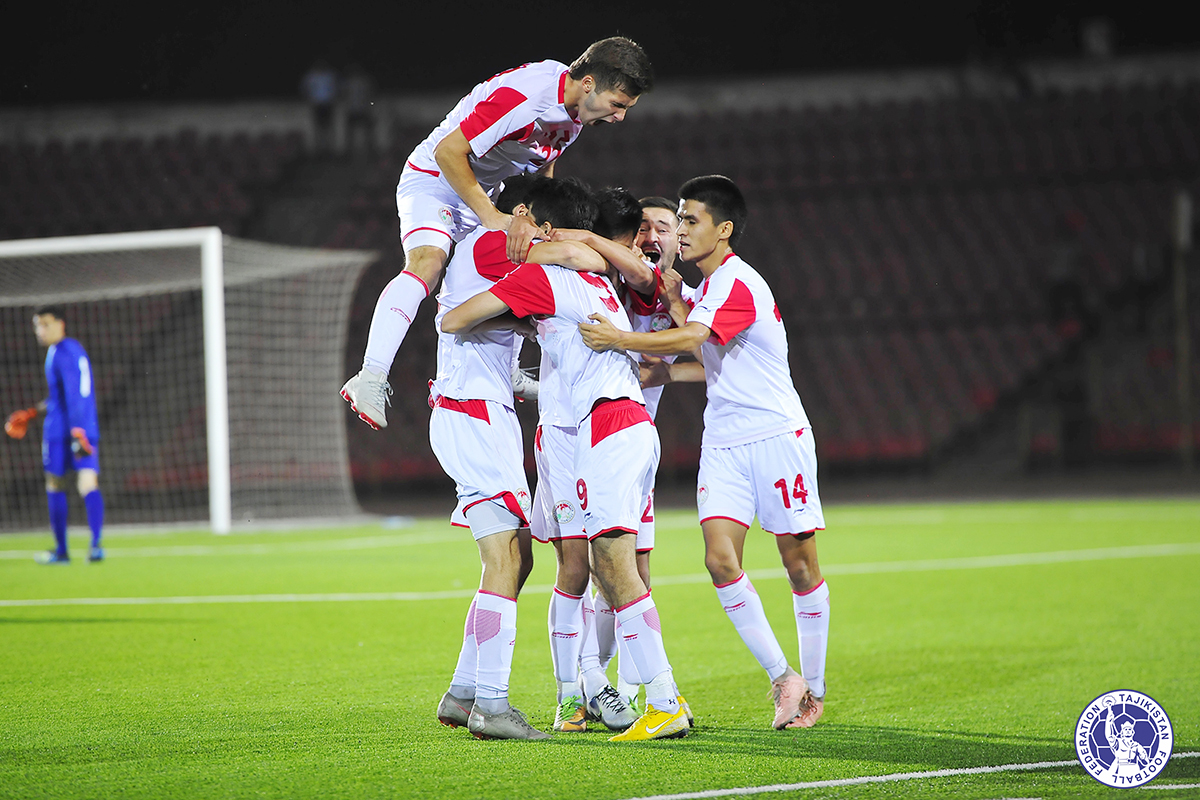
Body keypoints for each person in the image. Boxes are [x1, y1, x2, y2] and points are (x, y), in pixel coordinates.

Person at [442, 177, 689, 742]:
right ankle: (597, 693)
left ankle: (660, 698)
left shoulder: (545, 276)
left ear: (544, 228)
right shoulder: (599, 279)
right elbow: (609, 268)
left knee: (611, 569)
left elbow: (453, 319)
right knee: (604, 567)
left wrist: (506, 304)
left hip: (603, 427)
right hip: (617, 424)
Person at [579, 175, 830, 730]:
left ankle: (814, 686)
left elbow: (693, 338)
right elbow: (701, 344)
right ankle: (783, 678)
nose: (682, 231)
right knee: (719, 561)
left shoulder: (739, 282)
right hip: (722, 440)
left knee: (799, 564)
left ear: (724, 229)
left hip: (775, 434)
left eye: (690, 220)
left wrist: (622, 340)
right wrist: (670, 309)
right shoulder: (707, 289)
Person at [340, 37, 654, 431]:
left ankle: (510, 369)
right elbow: (447, 152)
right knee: (428, 264)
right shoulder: (526, 96)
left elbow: (541, 170)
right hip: (436, 180)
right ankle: (370, 376)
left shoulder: (576, 113)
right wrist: (490, 216)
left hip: (486, 191)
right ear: (588, 83)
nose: (620, 117)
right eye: (618, 104)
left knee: (527, 258)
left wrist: (537, 217)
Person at [429, 176, 607, 741]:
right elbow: (582, 257)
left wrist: (524, 326)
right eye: (544, 230)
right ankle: (492, 704)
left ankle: (464, 693)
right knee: (506, 557)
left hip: (481, 411)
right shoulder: (492, 241)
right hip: (472, 412)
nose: (548, 242)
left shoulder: (496, 259)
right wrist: (583, 244)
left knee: (517, 558)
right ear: (523, 214)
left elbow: (468, 318)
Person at [5, 306, 105, 564]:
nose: (41, 330)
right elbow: (61, 398)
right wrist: (32, 412)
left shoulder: (62, 352)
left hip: (64, 431)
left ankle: (62, 552)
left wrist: (77, 430)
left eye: (45, 324)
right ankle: (95, 546)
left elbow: (75, 395)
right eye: (37, 326)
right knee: (87, 481)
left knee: (56, 484)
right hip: (83, 427)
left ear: (61, 324)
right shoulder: (70, 350)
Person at [301, 59, 338, 155]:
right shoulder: (311, 75)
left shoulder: (330, 75)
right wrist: (309, 99)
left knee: (329, 127)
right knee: (317, 128)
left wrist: (334, 98)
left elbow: (336, 87)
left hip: (328, 104)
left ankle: (329, 150)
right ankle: (318, 150)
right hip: (316, 105)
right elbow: (304, 88)